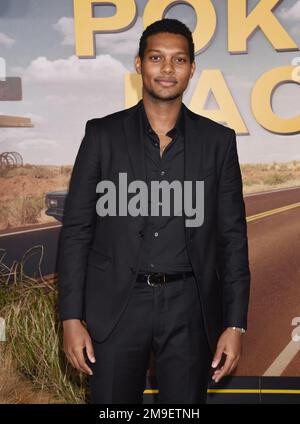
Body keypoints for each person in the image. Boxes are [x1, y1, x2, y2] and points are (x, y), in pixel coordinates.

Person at [58, 18, 251, 404]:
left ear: (192, 69)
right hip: (115, 307)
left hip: (189, 308)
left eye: (179, 60)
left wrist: (235, 324)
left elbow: (232, 238)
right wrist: (70, 317)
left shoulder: (219, 142)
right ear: (139, 64)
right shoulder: (101, 135)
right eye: (156, 58)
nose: (167, 69)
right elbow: (78, 230)